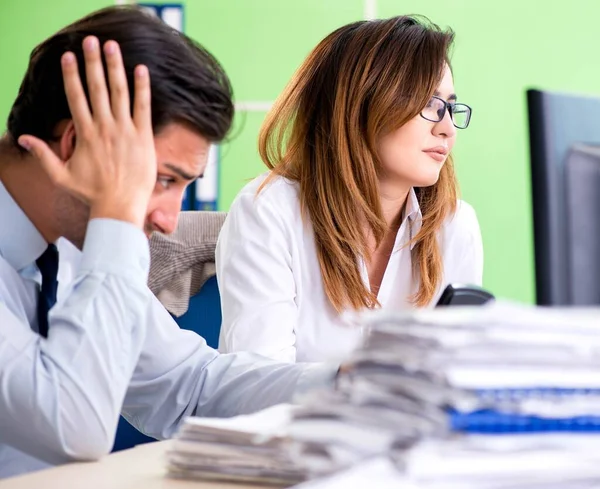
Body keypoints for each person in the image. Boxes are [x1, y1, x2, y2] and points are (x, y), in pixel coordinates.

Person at [0, 6, 336, 479]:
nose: (169, 219)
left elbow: (190, 386)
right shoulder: (102, 240)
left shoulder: (70, 250)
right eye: (158, 179)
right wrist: (116, 218)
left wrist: (346, 384)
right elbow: (74, 426)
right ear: (76, 145)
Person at [216, 16, 484, 363]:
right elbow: (257, 389)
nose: (448, 129)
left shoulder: (455, 225)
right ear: (360, 106)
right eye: (429, 105)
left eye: (449, 106)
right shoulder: (268, 211)